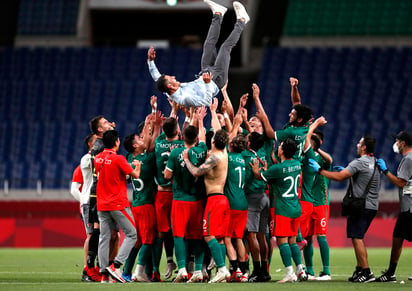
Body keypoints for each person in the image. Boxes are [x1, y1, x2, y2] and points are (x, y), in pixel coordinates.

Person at [147, 0, 250, 107]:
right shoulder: (185, 99)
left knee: (208, 45)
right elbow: (206, 103)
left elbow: (157, 77)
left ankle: (218, 14)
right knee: (225, 48)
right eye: (171, 78)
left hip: (204, 74)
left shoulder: (167, 90)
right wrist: (207, 84)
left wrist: (150, 61)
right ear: (170, 86)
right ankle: (242, 21)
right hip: (216, 80)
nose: (173, 77)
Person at [309, 135, 381, 283]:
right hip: (372, 205)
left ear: (364, 147)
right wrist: (352, 175)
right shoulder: (375, 162)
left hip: (360, 206)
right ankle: (360, 269)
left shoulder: (359, 162)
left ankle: (366, 271)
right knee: (357, 236)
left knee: (357, 237)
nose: (357, 144)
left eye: (359, 143)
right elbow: (364, 178)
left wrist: (320, 170)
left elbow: (339, 177)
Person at [251, 138, 304, 283]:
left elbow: (259, 177)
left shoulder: (278, 169)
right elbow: (279, 177)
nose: (278, 147)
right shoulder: (297, 164)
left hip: (284, 209)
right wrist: (270, 172)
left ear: (282, 150)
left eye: (280, 146)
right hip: (296, 208)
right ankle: (300, 270)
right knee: (292, 241)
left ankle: (289, 273)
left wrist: (256, 170)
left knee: (282, 241)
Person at [183, 129, 232, 283]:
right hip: (222, 199)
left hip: (214, 200)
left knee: (208, 235)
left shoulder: (215, 158)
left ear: (213, 141)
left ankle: (222, 269)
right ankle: (222, 272)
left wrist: (186, 159)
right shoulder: (224, 154)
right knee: (220, 238)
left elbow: (197, 172)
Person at [94, 130, 141, 283]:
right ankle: (116, 265)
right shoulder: (119, 159)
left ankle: (103, 274)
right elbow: (135, 175)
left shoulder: (98, 158)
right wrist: (137, 166)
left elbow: (111, 175)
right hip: (117, 203)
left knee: (104, 238)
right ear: (116, 142)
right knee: (132, 234)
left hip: (102, 205)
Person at [164, 122, 208, 283]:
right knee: (197, 236)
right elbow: (203, 136)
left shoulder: (175, 153)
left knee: (179, 235)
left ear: (182, 137)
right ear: (196, 138)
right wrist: (200, 119)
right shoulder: (201, 150)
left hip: (180, 200)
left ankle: (182, 270)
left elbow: (167, 176)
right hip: (197, 201)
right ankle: (198, 270)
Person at [374, 131, 412, 283]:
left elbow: (400, 182)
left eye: (397, 140)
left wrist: (385, 171)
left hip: (409, 208)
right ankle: (390, 273)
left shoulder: (408, 160)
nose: (395, 143)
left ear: (402, 143)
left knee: (397, 239)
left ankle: (390, 274)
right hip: (407, 207)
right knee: (397, 239)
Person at [153, 116, 184, 279]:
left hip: (161, 193)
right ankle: (184, 266)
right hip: (177, 194)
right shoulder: (181, 145)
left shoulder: (158, 144)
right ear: (178, 131)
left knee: (161, 232)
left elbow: (163, 131)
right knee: (178, 230)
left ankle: (156, 269)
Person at [70, 133, 99, 282]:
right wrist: (84, 202)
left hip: (101, 201)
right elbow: (74, 189)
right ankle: (86, 269)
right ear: (90, 144)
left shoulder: (102, 159)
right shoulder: (86, 161)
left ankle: (99, 268)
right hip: (89, 202)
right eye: (96, 140)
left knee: (104, 235)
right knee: (91, 235)